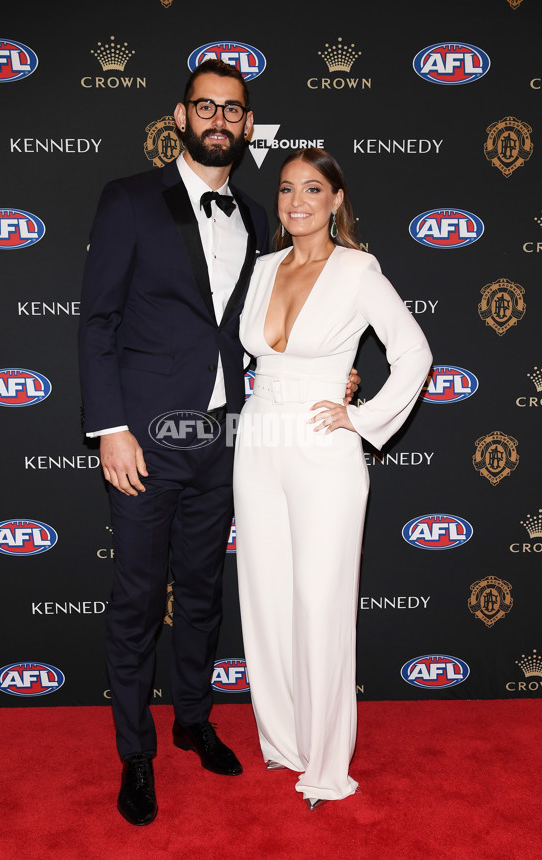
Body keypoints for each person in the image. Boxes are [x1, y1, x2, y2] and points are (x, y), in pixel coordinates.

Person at [79, 62, 358, 826]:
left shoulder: (253, 216)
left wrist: (338, 372)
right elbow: (97, 322)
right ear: (180, 113)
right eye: (206, 106)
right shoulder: (130, 198)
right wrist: (110, 430)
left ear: (246, 123)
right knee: (138, 600)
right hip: (143, 443)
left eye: (232, 110)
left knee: (202, 594)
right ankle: (136, 753)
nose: (218, 120)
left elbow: (274, 326)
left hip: (228, 441)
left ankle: (193, 720)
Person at [233, 148, 432, 810]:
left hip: (323, 447)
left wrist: (363, 416)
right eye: (287, 188)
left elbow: (413, 352)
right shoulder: (261, 269)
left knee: (321, 602)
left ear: (336, 199)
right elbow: (242, 358)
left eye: (313, 189)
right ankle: (285, 742)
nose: (297, 201)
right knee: (265, 597)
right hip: (259, 437)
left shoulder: (356, 269)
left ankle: (324, 766)